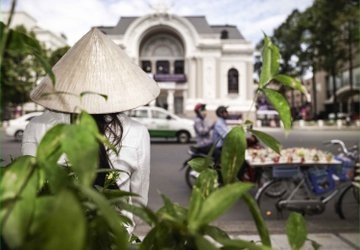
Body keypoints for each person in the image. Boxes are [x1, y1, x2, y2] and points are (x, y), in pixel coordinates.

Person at [21, 28, 160, 230]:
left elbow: (29, 188)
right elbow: (138, 200)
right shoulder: (137, 132)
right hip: (114, 232)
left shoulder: (36, 126)